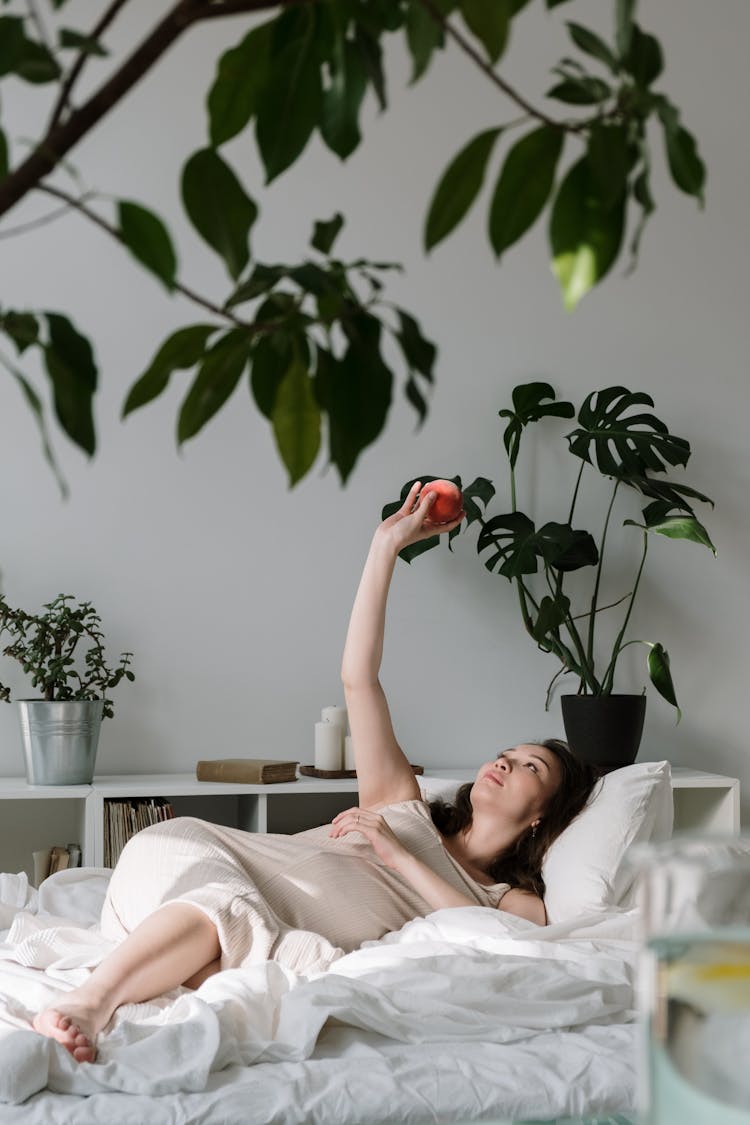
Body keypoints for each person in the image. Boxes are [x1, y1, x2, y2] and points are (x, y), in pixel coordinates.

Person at [32, 482, 596, 1063]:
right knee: (230, 906)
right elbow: (360, 679)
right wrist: (385, 547)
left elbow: (496, 935)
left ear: (540, 816)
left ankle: (157, 973)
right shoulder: (400, 804)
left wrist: (399, 856)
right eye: (506, 751)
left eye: (531, 766)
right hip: (188, 863)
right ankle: (88, 1004)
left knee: (292, 959)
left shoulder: (505, 902)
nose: (504, 761)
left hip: (224, 930)